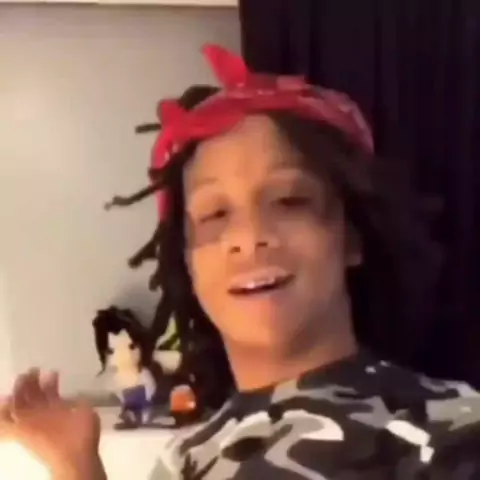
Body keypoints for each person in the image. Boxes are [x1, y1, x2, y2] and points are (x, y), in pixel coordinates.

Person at [2, 44, 480, 479]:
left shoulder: (455, 431)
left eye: (290, 200)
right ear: (187, 264)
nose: (249, 239)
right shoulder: (184, 462)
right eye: (214, 214)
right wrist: (75, 462)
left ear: (351, 236)